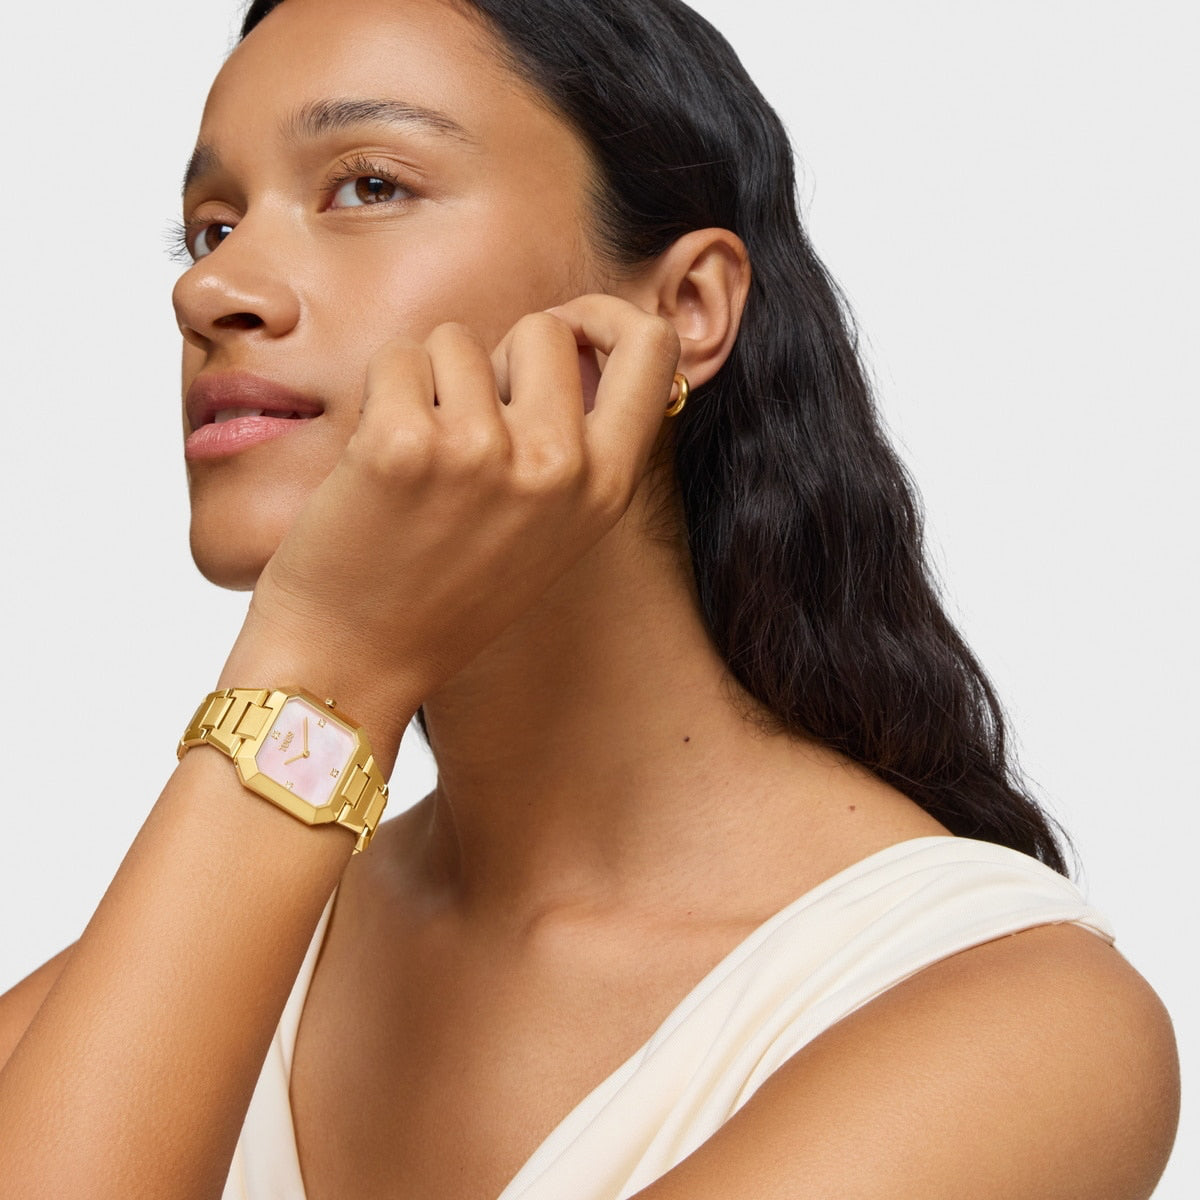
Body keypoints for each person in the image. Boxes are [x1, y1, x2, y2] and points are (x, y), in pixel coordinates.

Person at [0, 0, 1181, 1196]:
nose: (211, 290)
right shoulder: (165, 984)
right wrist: (319, 668)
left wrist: (321, 669)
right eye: (210, 226)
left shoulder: (1016, 1027)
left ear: (685, 309)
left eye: (368, 185)